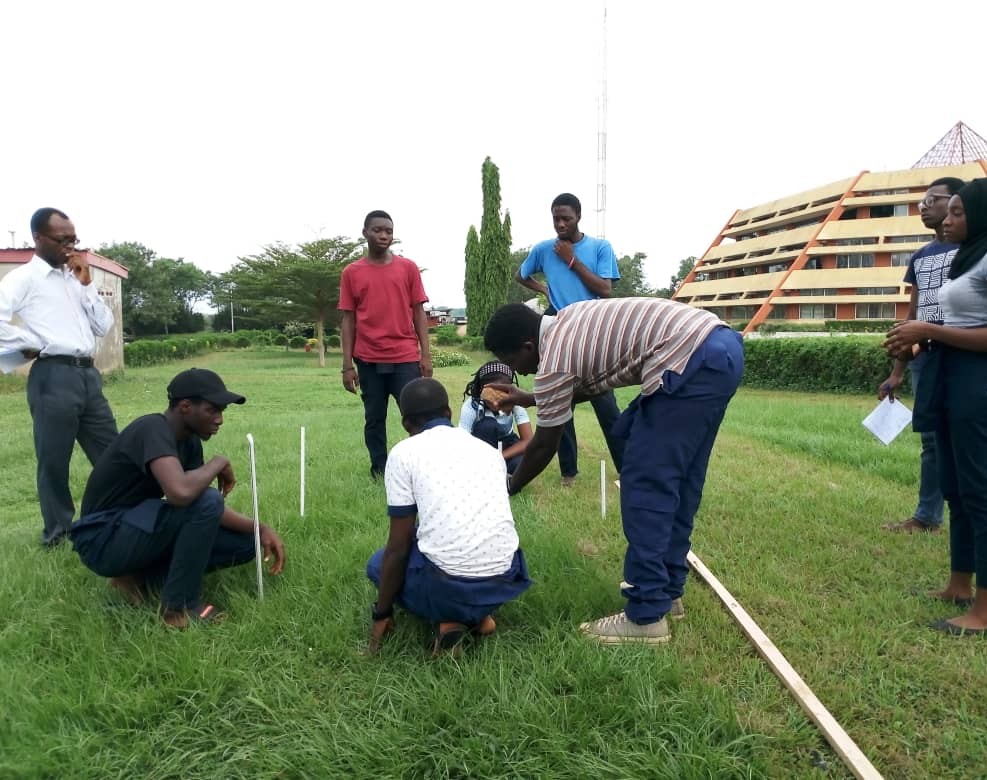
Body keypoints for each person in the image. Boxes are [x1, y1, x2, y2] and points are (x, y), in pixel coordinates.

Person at [484, 299, 743, 645]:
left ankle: (647, 616)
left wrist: (510, 486)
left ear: (528, 346)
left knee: (645, 485)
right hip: (718, 347)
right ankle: (667, 591)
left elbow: (544, 446)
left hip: (686, 359)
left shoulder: (554, 362)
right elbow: (575, 386)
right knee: (680, 479)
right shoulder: (568, 321)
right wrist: (530, 398)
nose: (521, 373)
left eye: (514, 362)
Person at [67, 368, 286, 628]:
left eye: (221, 412)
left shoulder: (189, 443)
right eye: (212, 410)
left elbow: (200, 505)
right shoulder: (152, 428)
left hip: (136, 528)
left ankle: (136, 577)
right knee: (207, 500)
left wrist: (259, 528)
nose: (219, 420)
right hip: (102, 540)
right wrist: (218, 462)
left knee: (246, 543)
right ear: (185, 406)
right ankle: (178, 609)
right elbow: (181, 493)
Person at [885, 178, 987, 636]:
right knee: (958, 489)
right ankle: (959, 586)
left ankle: (983, 612)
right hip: (948, 375)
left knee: (980, 491)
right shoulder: (965, 258)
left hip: (977, 383)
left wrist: (932, 332)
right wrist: (915, 340)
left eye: (959, 212)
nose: (947, 218)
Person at [366, 378, 531, 657]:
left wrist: (381, 612)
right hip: (507, 576)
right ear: (450, 413)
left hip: (449, 584)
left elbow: (398, 546)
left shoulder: (404, 454)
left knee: (377, 565)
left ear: (406, 424)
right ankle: (478, 617)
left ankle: (451, 619)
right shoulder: (488, 451)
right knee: (443, 547)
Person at [0, 207, 119, 548]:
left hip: (88, 376)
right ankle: (59, 534)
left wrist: (87, 285)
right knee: (54, 460)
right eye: (62, 239)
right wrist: (29, 344)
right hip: (53, 376)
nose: (70, 246)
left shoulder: (75, 278)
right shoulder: (24, 279)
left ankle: (113, 518)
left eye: (74, 239)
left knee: (113, 453)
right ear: (38, 238)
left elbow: (103, 326)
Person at [515, 193, 624, 486]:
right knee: (561, 408)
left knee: (607, 407)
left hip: (593, 337)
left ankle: (626, 470)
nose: (560, 224)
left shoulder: (600, 247)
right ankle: (568, 473)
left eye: (566, 218)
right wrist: (543, 290)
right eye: (556, 219)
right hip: (559, 335)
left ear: (578, 216)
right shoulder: (542, 249)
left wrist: (571, 260)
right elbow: (521, 275)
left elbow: (605, 289)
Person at [878, 177, 964, 534]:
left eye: (933, 199)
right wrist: (898, 371)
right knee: (931, 439)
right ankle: (928, 516)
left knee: (968, 435)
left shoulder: (974, 250)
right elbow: (914, 313)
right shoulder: (920, 257)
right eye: (922, 201)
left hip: (965, 353)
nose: (923, 206)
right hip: (926, 355)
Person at [339, 210, 432, 480]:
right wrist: (347, 366)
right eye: (378, 230)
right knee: (374, 418)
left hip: (405, 357)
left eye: (388, 231)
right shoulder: (351, 273)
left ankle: (422, 467)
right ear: (365, 233)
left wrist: (425, 355)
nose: (384, 236)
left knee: (416, 414)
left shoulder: (408, 268)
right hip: (368, 359)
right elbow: (348, 319)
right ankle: (380, 470)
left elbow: (418, 313)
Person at [458, 360, 533, 474]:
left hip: (506, 446)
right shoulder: (471, 405)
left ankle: (502, 471)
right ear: (482, 389)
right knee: (488, 425)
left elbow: (528, 440)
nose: (496, 403)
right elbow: (462, 440)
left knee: (524, 462)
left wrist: (499, 457)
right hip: (480, 446)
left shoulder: (514, 401)